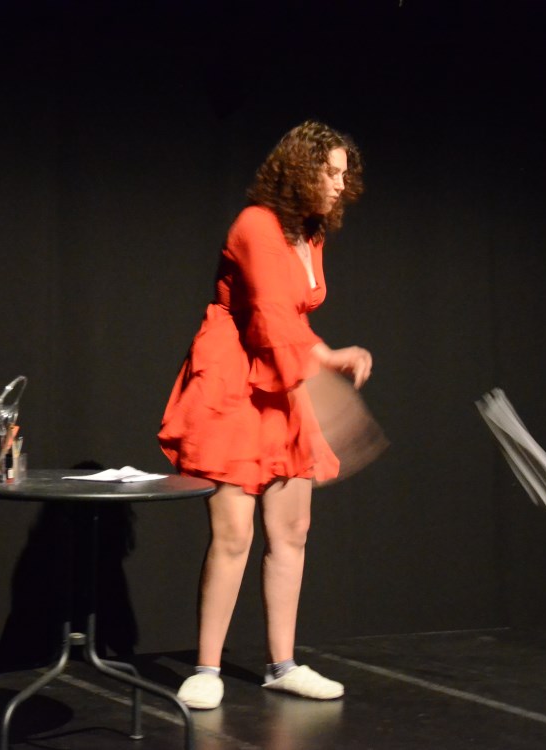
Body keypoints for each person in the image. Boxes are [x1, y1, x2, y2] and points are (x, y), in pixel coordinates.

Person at [158, 120, 371, 709]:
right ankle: (206, 668)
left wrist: (317, 363)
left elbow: (292, 320)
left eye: (344, 174)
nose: (340, 184)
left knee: (292, 531)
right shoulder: (255, 224)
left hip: (284, 376)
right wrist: (325, 362)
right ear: (299, 170)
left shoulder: (311, 232)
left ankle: (282, 665)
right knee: (234, 534)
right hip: (237, 379)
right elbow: (270, 314)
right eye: (330, 172)